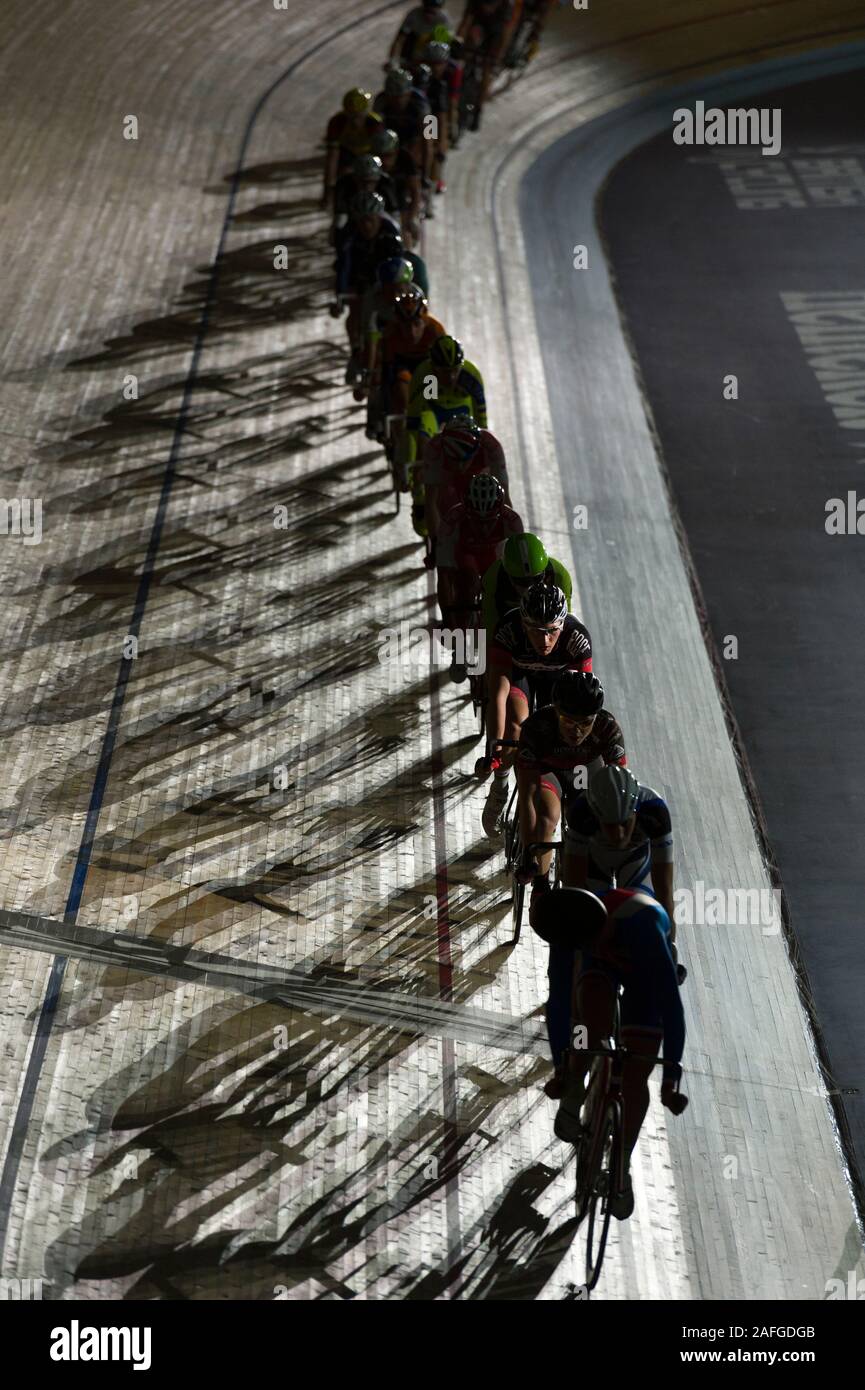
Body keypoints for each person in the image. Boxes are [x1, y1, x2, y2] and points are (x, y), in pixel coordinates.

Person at [531, 885, 688, 1220]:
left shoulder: (645, 931)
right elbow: (559, 1003)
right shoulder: (570, 933)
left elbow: (672, 1009)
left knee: (636, 1073)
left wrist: (671, 1080)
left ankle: (621, 1164)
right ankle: (576, 1084)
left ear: (602, 930)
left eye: (590, 943)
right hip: (602, 965)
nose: (588, 947)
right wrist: (562, 1068)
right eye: (582, 946)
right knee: (588, 1023)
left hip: (644, 970)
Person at [480, 583, 592, 837]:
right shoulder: (508, 630)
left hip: (559, 683)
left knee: (564, 721)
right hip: (521, 677)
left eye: (552, 631)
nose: (544, 640)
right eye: (536, 631)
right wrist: (494, 748)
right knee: (516, 721)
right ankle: (500, 786)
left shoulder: (577, 640)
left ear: (563, 625)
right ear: (523, 624)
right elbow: (498, 694)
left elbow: (580, 703)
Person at [514, 671, 627, 890]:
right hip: (547, 770)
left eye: (585, 723)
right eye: (568, 721)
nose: (576, 731)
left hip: (582, 772)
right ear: (556, 712)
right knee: (547, 816)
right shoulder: (535, 728)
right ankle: (541, 886)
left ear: (596, 716)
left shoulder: (608, 728)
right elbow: (527, 796)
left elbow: (618, 792)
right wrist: (530, 852)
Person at [565, 764, 676, 938]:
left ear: (636, 811)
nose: (619, 834)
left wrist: (670, 943)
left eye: (625, 822)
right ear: (596, 814)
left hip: (634, 857)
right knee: (588, 920)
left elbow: (665, 891)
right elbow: (573, 888)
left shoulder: (655, 811)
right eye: (609, 825)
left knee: (643, 918)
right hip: (595, 858)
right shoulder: (581, 812)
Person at [436, 475, 524, 677]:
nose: (483, 527)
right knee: (465, 585)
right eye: (476, 521)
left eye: (489, 521)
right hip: (466, 560)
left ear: (500, 511)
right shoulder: (451, 521)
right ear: (466, 510)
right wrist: (449, 618)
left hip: (497, 560)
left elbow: (519, 571)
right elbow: (444, 576)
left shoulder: (512, 521)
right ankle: (459, 651)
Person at [423, 415, 510, 551]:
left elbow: (505, 500)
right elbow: (430, 502)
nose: (460, 466)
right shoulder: (434, 448)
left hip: (476, 479)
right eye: (455, 459)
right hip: (447, 479)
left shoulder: (492, 445)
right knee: (443, 503)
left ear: (477, 449)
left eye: (465, 460)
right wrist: (436, 543)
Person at [481, 532, 572, 638]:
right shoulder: (493, 578)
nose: (530, 587)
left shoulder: (559, 575)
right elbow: (490, 624)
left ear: (545, 572)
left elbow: (566, 623)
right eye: (522, 582)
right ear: (507, 575)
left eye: (537, 579)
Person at [458, 0, 517, 127]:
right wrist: (458, 42)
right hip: (477, 30)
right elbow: (466, 21)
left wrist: (498, 56)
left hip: (493, 36)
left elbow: (505, 34)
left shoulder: (506, 5)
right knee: (464, 58)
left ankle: (478, 109)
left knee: (486, 70)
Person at [323, 90, 382, 210]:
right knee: (343, 174)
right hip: (348, 152)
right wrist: (329, 191)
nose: (355, 121)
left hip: (369, 153)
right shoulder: (337, 122)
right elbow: (331, 159)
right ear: (346, 113)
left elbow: (381, 154)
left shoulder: (374, 123)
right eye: (352, 117)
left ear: (366, 113)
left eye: (359, 117)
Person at [369, 128, 424, 239]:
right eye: (380, 156)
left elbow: (415, 191)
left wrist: (412, 218)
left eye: (388, 155)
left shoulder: (406, 158)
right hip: (377, 196)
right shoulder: (370, 160)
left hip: (399, 196)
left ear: (396, 151)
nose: (384, 161)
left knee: (403, 233)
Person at [389, 1, 457, 67]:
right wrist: (392, 60)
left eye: (432, 12)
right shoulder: (413, 14)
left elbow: (446, 47)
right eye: (426, 11)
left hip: (432, 49)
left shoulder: (444, 20)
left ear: (439, 10)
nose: (428, 16)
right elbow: (399, 40)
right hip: (413, 46)